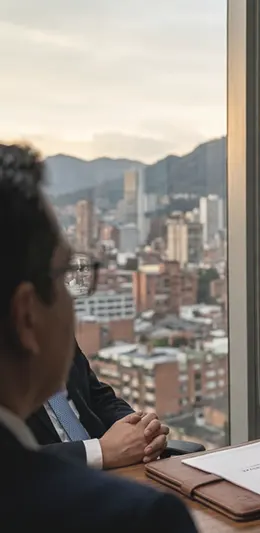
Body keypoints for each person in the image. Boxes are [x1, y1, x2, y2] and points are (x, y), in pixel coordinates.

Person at [0, 143, 198, 532]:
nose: (74, 299)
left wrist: (137, 430)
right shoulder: (142, 519)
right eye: (64, 275)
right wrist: (101, 452)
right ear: (26, 315)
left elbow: (94, 392)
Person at [26, 340, 170, 469]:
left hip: (115, 472)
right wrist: (102, 451)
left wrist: (139, 428)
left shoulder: (57, 332)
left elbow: (97, 395)